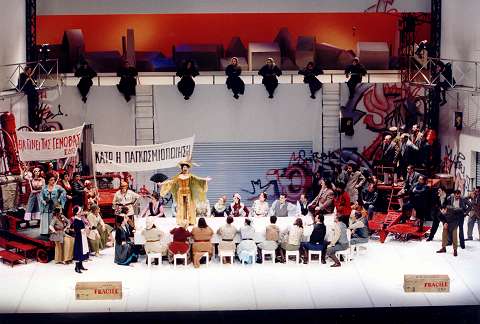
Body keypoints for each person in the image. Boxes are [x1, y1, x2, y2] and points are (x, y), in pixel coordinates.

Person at [159, 160, 211, 225]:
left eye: (186, 167)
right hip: (180, 193)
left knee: (188, 205)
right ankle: (182, 220)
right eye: (184, 167)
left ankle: (189, 220)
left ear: (188, 168)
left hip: (188, 193)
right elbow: (170, 181)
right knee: (181, 206)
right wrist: (162, 183)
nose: (185, 168)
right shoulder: (178, 176)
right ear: (182, 168)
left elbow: (198, 179)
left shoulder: (190, 176)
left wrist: (205, 179)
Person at [73, 207, 89, 273]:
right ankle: (77, 267)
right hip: (79, 238)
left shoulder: (80, 219)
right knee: (79, 251)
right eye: (80, 211)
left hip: (82, 237)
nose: (81, 212)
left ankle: (80, 265)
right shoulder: (76, 220)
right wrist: (84, 229)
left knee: (83, 251)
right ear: (77, 213)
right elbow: (77, 230)